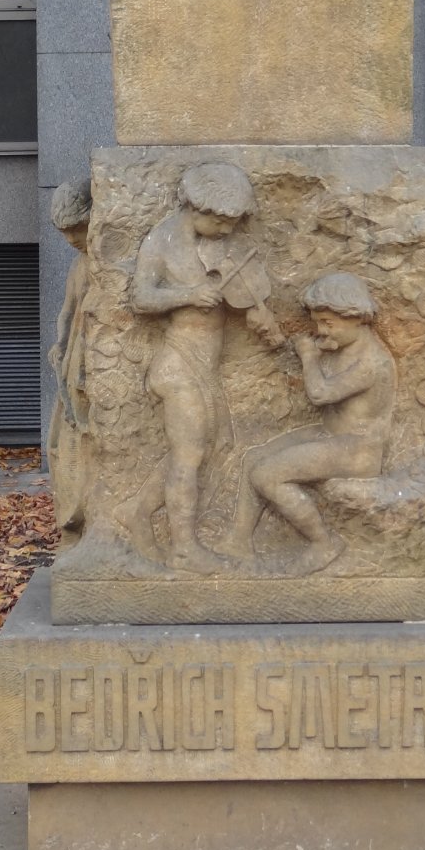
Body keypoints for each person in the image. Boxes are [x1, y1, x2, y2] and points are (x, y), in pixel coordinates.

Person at [115, 162, 283, 572]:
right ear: (197, 208)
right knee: (189, 456)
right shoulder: (163, 240)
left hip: (204, 369)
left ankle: (137, 510)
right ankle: (184, 548)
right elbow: (141, 298)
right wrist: (188, 294)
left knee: (205, 448)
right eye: (222, 221)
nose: (228, 230)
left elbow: (242, 292)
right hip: (178, 363)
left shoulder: (218, 248)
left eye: (233, 222)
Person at [221, 271, 395, 573]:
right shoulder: (344, 346)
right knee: (253, 458)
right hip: (332, 435)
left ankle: (323, 543)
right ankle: (238, 542)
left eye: (328, 324)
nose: (321, 331)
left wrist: (309, 357)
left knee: (267, 475)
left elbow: (320, 393)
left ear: (356, 317)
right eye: (318, 323)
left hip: (358, 449)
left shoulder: (372, 361)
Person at [46, 180, 92, 538]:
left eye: (78, 230)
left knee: (87, 434)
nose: (72, 240)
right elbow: (66, 310)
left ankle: (87, 508)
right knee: (62, 438)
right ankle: (74, 510)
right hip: (74, 356)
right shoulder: (79, 266)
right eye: (65, 233)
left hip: (93, 361)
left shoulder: (105, 264)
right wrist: (60, 343)